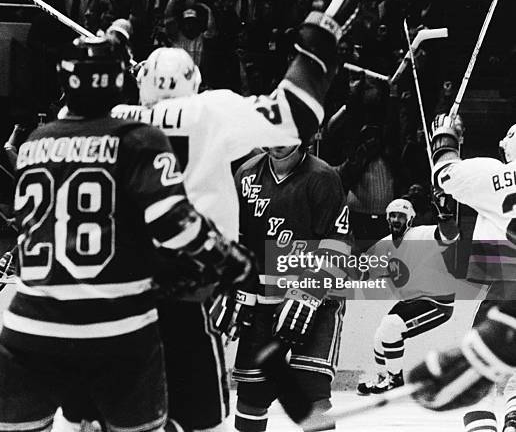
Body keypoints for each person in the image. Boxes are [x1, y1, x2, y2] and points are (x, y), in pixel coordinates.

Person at [0, 33, 253, 432]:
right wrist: (228, 261)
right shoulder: (136, 138)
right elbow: (173, 221)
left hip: (29, 328)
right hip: (116, 328)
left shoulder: (35, 142)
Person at [112, 46, 300, 432]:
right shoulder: (211, 111)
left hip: (120, 296)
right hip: (189, 287)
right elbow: (294, 117)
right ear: (194, 81)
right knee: (202, 419)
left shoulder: (111, 118)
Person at [218, 140, 351, 432]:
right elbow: (236, 239)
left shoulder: (323, 177)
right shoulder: (246, 174)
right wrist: (234, 285)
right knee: (253, 394)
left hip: (317, 300)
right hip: (262, 298)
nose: (278, 142)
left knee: (312, 391)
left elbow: (339, 243)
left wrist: (309, 291)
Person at [407, 117, 516, 432]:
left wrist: (446, 135)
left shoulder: (495, 172)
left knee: (477, 369)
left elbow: (445, 173)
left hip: (505, 289)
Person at [356, 197, 459, 395]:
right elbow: (363, 274)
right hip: (411, 301)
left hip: (437, 301)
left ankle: (395, 380)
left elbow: (450, 236)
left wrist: (446, 216)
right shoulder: (382, 246)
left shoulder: (422, 234)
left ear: (410, 219)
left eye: (401, 216)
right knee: (380, 337)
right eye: (392, 215)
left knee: (391, 326)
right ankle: (383, 376)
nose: (396, 219)